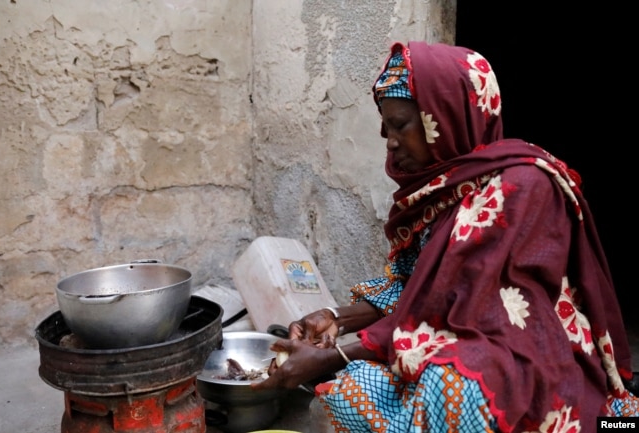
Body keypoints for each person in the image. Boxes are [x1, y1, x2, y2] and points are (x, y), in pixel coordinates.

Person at [251, 40, 639, 432]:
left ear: (447, 115)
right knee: (356, 387)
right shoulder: (437, 192)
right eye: (386, 127)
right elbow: (415, 290)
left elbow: (460, 308)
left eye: (402, 125)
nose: (391, 141)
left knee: (451, 385)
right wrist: (336, 318)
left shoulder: (523, 184)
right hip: (447, 341)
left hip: (526, 354)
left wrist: (333, 355)